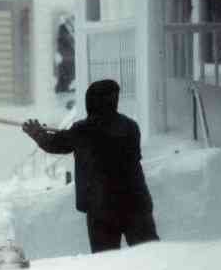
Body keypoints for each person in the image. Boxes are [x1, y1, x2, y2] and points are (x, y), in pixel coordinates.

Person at [22, 79, 159, 253]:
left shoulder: (83, 130)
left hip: (102, 209)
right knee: (149, 255)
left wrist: (37, 133)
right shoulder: (130, 126)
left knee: (105, 261)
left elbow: (56, 144)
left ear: (91, 102)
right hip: (135, 203)